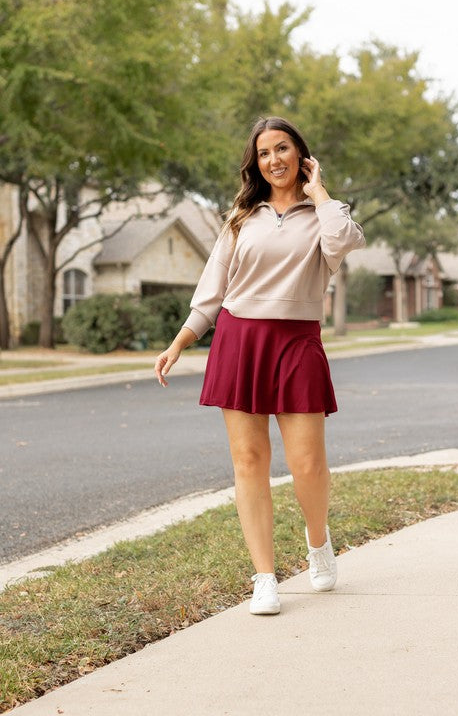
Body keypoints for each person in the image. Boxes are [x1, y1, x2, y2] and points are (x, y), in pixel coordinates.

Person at [154, 116, 365, 615]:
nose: (274, 160)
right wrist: (180, 342)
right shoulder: (240, 218)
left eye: (283, 148)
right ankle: (265, 577)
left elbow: (345, 242)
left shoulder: (326, 216)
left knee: (307, 463)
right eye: (265, 152)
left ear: (301, 155)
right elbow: (212, 292)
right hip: (239, 339)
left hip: (297, 341)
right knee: (249, 462)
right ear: (256, 162)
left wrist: (320, 192)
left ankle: (318, 542)